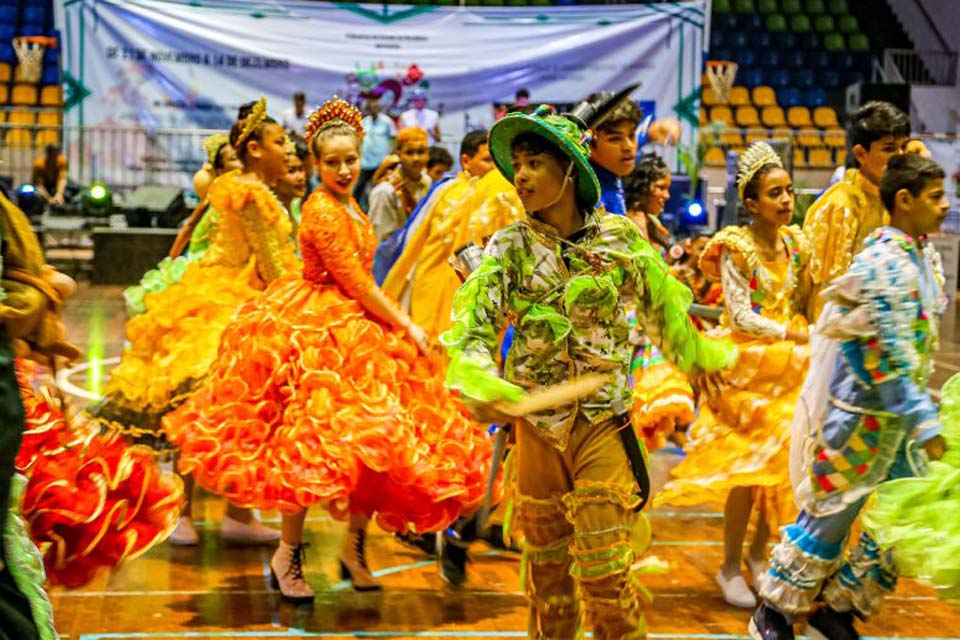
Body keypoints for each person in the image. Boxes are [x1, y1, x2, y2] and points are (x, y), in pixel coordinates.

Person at [164, 97, 495, 602]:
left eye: (351, 160)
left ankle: (353, 549)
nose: (344, 170)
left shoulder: (350, 204)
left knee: (377, 445)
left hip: (357, 329)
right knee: (309, 448)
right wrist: (405, 322)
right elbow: (355, 282)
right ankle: (288, 554)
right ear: (316, 164)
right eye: (333, 162)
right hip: (316, 331)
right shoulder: (321, 208)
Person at [442, 104, 736, 640]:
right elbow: (474, 330)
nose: (521, 176)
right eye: (518, 165)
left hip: (602, 422)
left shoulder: (619, 238)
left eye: (535, 164)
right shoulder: (509, 247)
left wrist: (698, 358)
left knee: (606, 576)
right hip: (538, 431)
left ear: (570, 172)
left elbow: (664, 312)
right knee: (550, 587)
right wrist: (481, 380)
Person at [752, 153, 949, 640]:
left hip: (899, 426)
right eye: (936, 197)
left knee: (901, 522)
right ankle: (774, 612)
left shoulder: (919, 257)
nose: (945, 206)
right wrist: (925, 420)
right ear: (904, 201)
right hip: (860, 422)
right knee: (828, 519)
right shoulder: (882, 264)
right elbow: (888, 358)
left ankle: (838, 610)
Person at [95, 98, 299, 544]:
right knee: (199, 404)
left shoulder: (248, 188)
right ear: (255, 150)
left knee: (244, 412)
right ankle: (183, 510)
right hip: (227, 299)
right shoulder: (250, 193)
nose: (288, 149)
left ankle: (236, 513)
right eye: (280, 142)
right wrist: (301, 299)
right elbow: (270, 263)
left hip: (235, 290)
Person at [655, 143, 811, 609]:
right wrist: (791, 333)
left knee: (780, 467)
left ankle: (759, 556)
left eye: (788, 191)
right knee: (747, 471)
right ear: (751, 203)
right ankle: (728, 565)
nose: (786, 200)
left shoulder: (795, 243)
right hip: (747, 367)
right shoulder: (735, 247)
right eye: (775, 193)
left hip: (791, 365)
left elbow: (801, 298)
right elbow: (740, 315)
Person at [803, 101, 909, 321]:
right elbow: (828, 289)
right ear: (861, 154)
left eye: (903, 147)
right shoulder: (841, 205)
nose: (900, 156)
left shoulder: (893, 198)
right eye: (889, 148)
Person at [622, 153, 695, 451]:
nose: (666, 195)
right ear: (643, 186)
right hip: (632, 319)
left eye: (667, 188)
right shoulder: (629, 222)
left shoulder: (652, 223)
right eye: (660, 188)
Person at [368, 126, 431, 243]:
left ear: (428, 154)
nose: (416, 158)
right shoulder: (385, 191)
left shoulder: (427, 181)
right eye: (409, 153)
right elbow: (380, 241)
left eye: (421, 152)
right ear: (399, 153)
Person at [356, 97, 397, 207]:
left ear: (379, 108)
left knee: (381, 187)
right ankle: (357, 208)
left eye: (375, 107)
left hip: (381, 162)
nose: (373, 110)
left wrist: (392, 155)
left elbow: (394, 139)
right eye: (370, 108)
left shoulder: (387, 121)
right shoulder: (364, 122)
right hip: (366, 162)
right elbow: (359, 139)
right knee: (358, 188)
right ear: (367, 109)